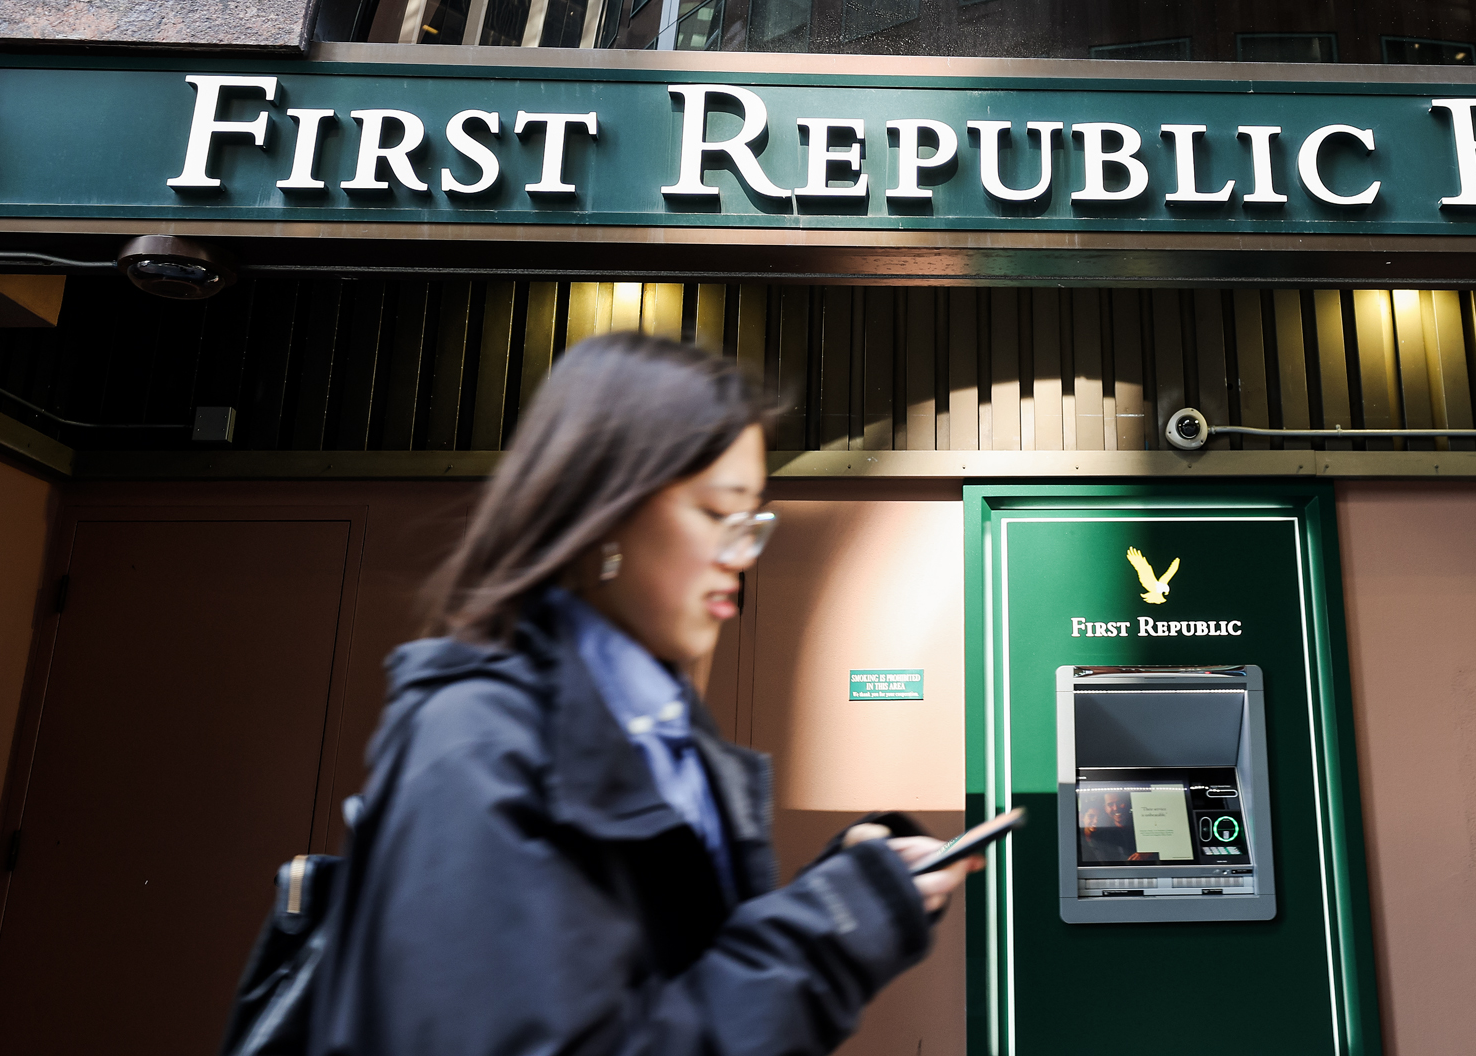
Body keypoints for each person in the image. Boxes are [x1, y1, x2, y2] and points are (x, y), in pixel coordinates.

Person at [308, 332, 976, 1055]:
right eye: (717, 513)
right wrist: (834, 928)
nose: (740, 556)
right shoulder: (474, 743)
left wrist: (847, 895)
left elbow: (680, 983)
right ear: (608, 507)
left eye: (752, 521)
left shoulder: (661, 733)